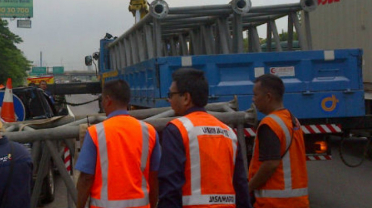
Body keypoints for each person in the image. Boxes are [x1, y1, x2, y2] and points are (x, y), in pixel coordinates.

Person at [158, 68, 251, 208]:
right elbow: (241, 185)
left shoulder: (177, 129)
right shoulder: (228, 132)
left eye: (171, 94)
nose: (169, 99)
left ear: (186, 98)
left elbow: (170, 186)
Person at [75, 79, 161, 208]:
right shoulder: (149, 131)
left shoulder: (96, 132)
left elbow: (86, 178)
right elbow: (154, 178)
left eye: (102, 99)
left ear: (108, 99)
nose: (103, 104)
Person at [248, 74, 309, 208]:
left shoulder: (269, 124)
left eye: (255, 95)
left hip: (275, 203)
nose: (253, 100)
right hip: (297, 202)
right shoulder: (291, 119)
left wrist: (248, 188)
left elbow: (270, 163)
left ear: (268, 97)